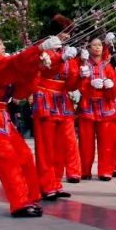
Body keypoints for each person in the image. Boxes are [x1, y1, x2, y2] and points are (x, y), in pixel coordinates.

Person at [0, 29, 66, 217]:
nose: (4, 46)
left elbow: (21, 91)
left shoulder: (0, 66)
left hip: (1, 118)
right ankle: (20, 203)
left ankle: (30, 197)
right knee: (9, 163)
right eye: (0, 43)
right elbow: (16, 63)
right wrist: (38, 48)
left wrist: (37, 67)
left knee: (24, 156)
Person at [31, 15, 81, 201]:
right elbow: (47, 68)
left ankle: (56, 183)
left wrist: (81, 73)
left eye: (69, 33)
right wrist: (62, 58)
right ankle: (46, 185)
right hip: (45, 97)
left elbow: (71, 84)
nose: (67, 36)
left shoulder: (67, 52)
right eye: (64, 32)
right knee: (46, 146)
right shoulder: (45, 46)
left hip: (62, 99)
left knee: (61, 145)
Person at [77, 34, 116, 181]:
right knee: (85, 142)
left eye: (99, 45)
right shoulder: (83, 65)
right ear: (89, 48)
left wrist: (112, 84)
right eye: (94, 45)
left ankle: (105, 170)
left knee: (106, 141)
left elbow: (114, 88)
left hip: (105, 108)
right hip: (87, 107)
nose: (97, 47)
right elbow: (79, 86)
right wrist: (88, 84)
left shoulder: (108, 66)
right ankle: (84, 170)